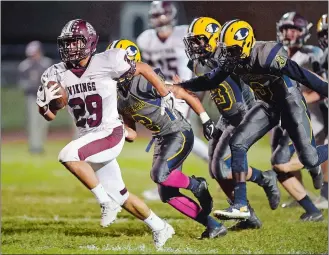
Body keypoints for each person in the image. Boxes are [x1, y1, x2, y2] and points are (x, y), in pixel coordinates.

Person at [36, 19, 177, 249]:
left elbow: (141, 67)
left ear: (90, 42)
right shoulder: (56, 73)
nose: (70, 48)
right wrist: (43, 106)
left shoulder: (107, 60)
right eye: (67, 43)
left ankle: (104, 202)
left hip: (109, 132)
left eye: (75, 42)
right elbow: (50, 115)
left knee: (68, 155)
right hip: (88, 136)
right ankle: (160, 227)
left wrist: (164, 92)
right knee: (121, 196)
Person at [176, 19, 328, 220]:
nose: (228, 56)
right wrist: (183, 86)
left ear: (246, 45)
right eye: (226, 50)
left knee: (309, 158)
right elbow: (212, 79)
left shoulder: (266, 55)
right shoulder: (232, 58)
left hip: (290, 103)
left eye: (233, 50)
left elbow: (302, 76)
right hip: (267, 105)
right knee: (238, 142)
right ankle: (241, 205)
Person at [109, 38, 227, 239]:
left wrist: (206, 119)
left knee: (159, 174)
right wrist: (116, 127)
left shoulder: (144, 81)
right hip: (162, 138)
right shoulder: (118, 95)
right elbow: (132, 133)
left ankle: (197, 185)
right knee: (167, 194)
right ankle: (213, 226)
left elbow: (184, 94)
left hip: (177, 131)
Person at [183, 16, 280, 227]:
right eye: (193, 41)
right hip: (226, 116)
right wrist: (203, 116)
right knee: (215, 168)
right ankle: (248, 216)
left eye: (199, 40)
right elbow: (204, 87)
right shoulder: (198, 62)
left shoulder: (228, 56)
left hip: (244, 114)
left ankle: (264, 179)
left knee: (221, 167)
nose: (195, 45)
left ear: (213, 37)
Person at [136, 1, 210, 201]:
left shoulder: (183, 34)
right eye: (156, 15)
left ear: (171, 15)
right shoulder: (146, 39)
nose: (160, 19)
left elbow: (198, 63)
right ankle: (213, 162)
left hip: (182, 90)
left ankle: (170, 178)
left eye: (163, 14)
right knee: (178, 137)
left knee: (175, 136)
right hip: (162, 92)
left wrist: (195, 88)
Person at [273, 12, 327, 209]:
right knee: (281, 152)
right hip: (288, 114)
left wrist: (299, 100)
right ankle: (301, 195)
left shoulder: (312, 54)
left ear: (303, 32)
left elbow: (323, 89)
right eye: (285, 29)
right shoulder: (276, 54)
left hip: (314, 113)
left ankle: (325, 192)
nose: (288, 33)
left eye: (293, 29)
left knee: (316, 151)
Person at [18, 41, 52, 154]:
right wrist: (33, 85)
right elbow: (22, 83)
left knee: (44, 122)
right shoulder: (24, 66)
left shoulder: (47, 63)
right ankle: (34, 146)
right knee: (33, 122)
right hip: (33, 98)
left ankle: (40, 144)